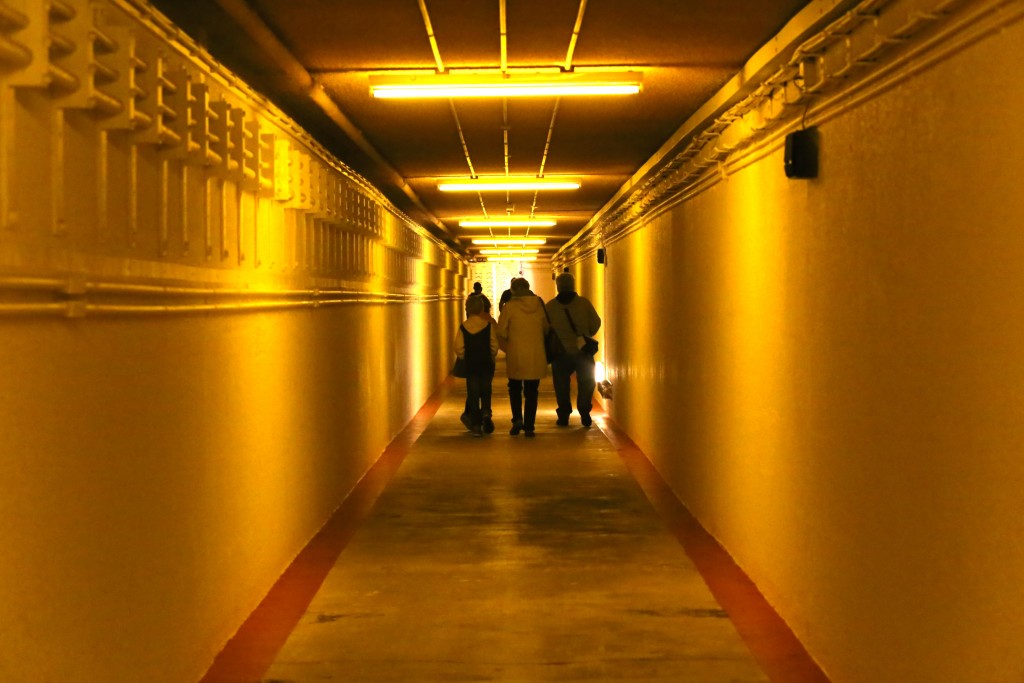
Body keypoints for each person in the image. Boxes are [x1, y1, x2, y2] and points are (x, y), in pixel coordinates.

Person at [545, 272, 601, 427]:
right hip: (583, 350)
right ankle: (584, 411)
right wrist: (586, 334)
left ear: (558, 287)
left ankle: (564, 414)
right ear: (573, 285)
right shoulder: (584, 303)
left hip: (560, 352)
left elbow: (546, 329)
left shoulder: (550, 307)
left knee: (561, 384)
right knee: (587, 382)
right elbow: (596, 323)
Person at [497, 277, 549, 437]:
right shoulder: (539, 305)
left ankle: (517, 420)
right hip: (536, 354)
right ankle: (529, 426)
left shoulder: (510, 307)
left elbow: (501, 332)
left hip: (516, 355)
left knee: (514, 389)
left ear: (514, 290)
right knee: (532, 391)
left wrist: (508, 347)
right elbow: (546, 329)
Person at [454, 294, 498, 436]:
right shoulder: (488, 326)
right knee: (486, 390)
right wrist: (491, 356)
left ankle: (476, 425)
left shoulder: (464, 327)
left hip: (471, 365)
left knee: (473, 393)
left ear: (468, 309)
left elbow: (459, 347)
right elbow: (494, 345)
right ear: (481, 309)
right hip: (486, 363)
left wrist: (463, 357)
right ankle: (486, 412)